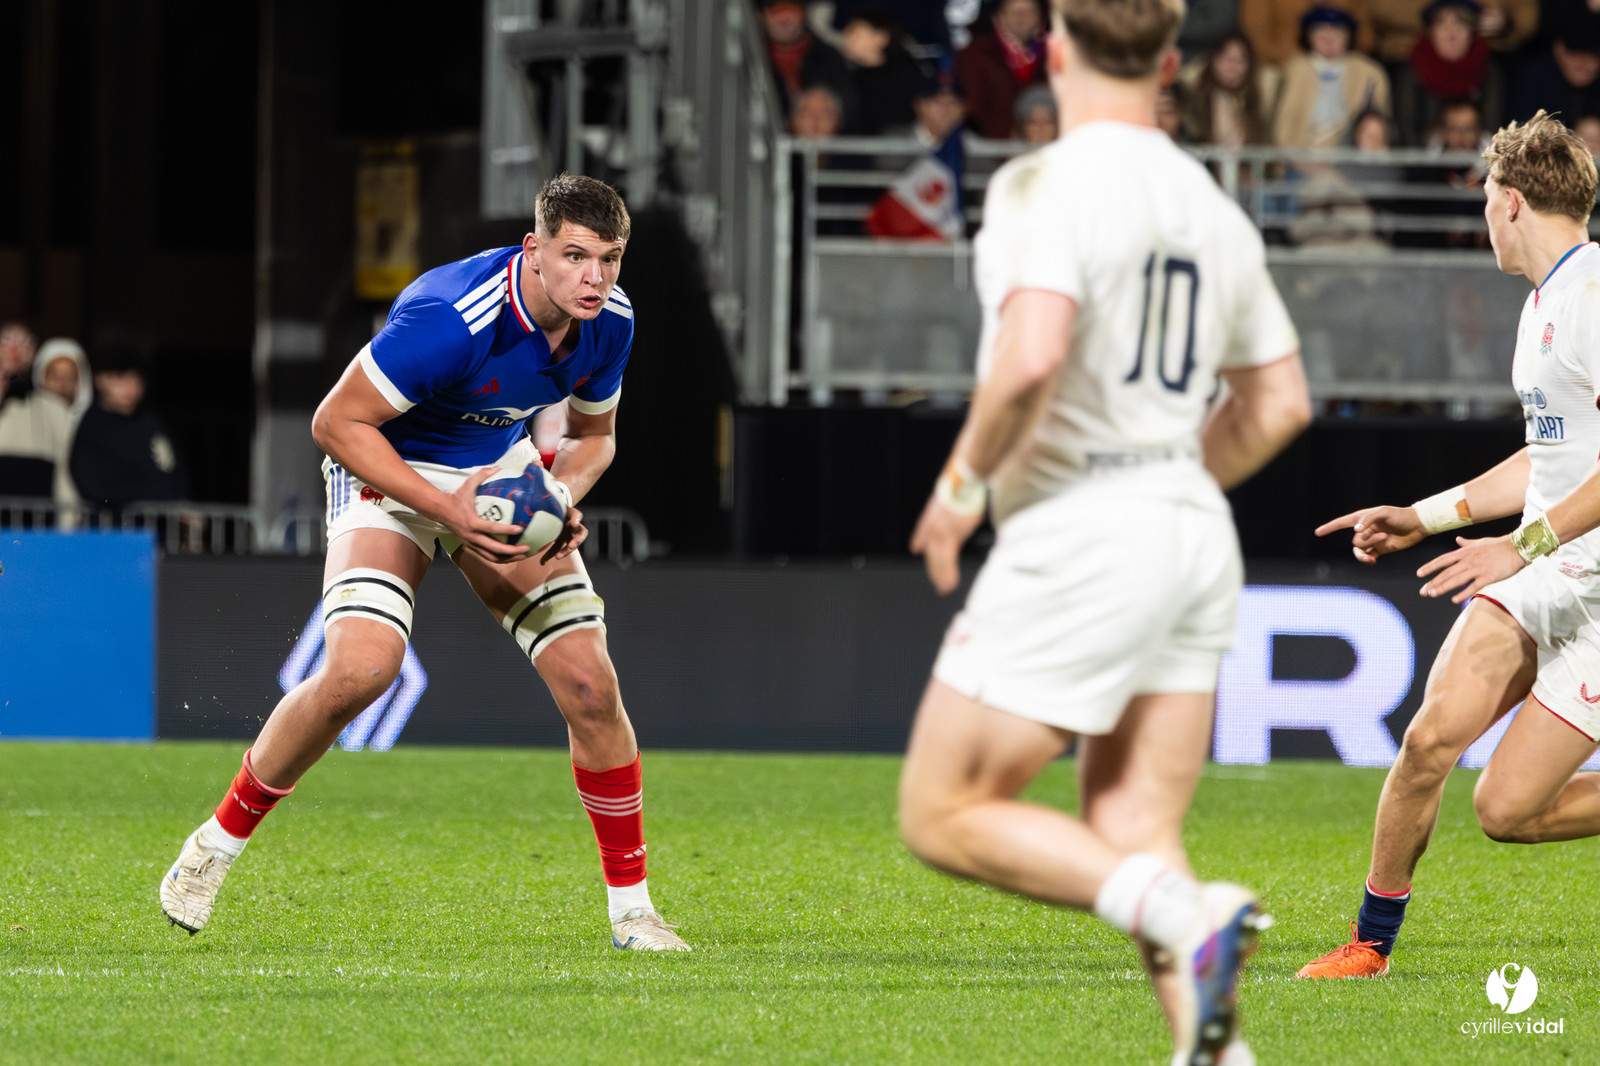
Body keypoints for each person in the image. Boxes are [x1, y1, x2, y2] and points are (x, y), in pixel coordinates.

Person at [896, 0, 1312, 1061]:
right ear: (1171, 60)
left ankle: (1187, 916)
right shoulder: (1210, 204)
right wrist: (1165, 481)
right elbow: (1278, 404)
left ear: (1056, 50)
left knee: (941, 810)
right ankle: (1218, 1052)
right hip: (1187, 523)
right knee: (1137, 831)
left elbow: (1032, 356)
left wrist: (956, 490)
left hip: (1085, 527)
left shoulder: (1048, 179)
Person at [157, 174, 690, 953]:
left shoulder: (611, 320)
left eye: (609, 259)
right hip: (388, 471)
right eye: (575, 256)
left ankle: (634, 911)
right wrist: (450, 512)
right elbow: (335, 422)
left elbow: (594, 438)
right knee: (360, 673)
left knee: (591, 683)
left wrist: (554, 494)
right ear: (533, 249)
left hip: (496, 478)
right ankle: (213, 845)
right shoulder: (452, 315)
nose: (595, 277)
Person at [1297, 111, 1600, 979]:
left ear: (1508, 204)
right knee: (1429, 742)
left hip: (1588, 582)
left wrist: (1523, 543)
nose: (1483, 223)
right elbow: (1550, 456)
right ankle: (1370, 944)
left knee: (1508, 811)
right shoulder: (1544, 302)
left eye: (1482, 205)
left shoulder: (1594, 299)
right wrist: (1425, 518)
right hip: (1547, 567)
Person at [69, 347, 189, 514]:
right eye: (120, 378)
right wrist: (153, 497)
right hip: (112, 531)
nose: (130, 387)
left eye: (136, 379)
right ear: (100, 380)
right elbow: (94, 485)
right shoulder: (92, 426)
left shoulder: (152, 422)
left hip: (158, 531)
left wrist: (181, 507)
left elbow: (174, 471)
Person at [1274, 5, 1392, 148]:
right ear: (1308, 37)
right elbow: (1283, 122)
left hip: (1351, 150)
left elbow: (1380, 122)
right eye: (1320, 32)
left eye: (1337, 32)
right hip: (1304, 148)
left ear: (1349, 37)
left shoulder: (1369, 71)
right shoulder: (1295, 69)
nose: (1329, 39)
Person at [1393, 0, 1501, 147]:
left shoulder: (1489, 71)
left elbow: (1493, 131)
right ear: (1431, 33)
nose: (1452, 33)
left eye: (1461, 23)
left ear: (1472, 32)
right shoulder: (1412, 74)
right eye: (1442, 24)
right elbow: (1408, 135)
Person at [0, 322, 76, 509]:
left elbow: (66, 475)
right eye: (7, 340)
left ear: (35, 353)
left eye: (25, 343)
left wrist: (67, 526)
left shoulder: (53, 409)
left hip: (35, 531)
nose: (14, 350)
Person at [955, 0, 1048, 138]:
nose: (1021, 18)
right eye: (1014, 12)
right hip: (992, 148)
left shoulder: (1052, 54)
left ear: (1040, 17)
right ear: (999, 16)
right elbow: (972, 108)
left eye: (1029, 12)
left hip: (1043, 146)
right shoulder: (975, 54)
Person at [1184, 32, 1272, 148]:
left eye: (1239, 60)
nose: (1231, 66)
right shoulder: (1194, 97)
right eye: (1226, 58)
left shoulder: (1257, 100)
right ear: (1212, 61)